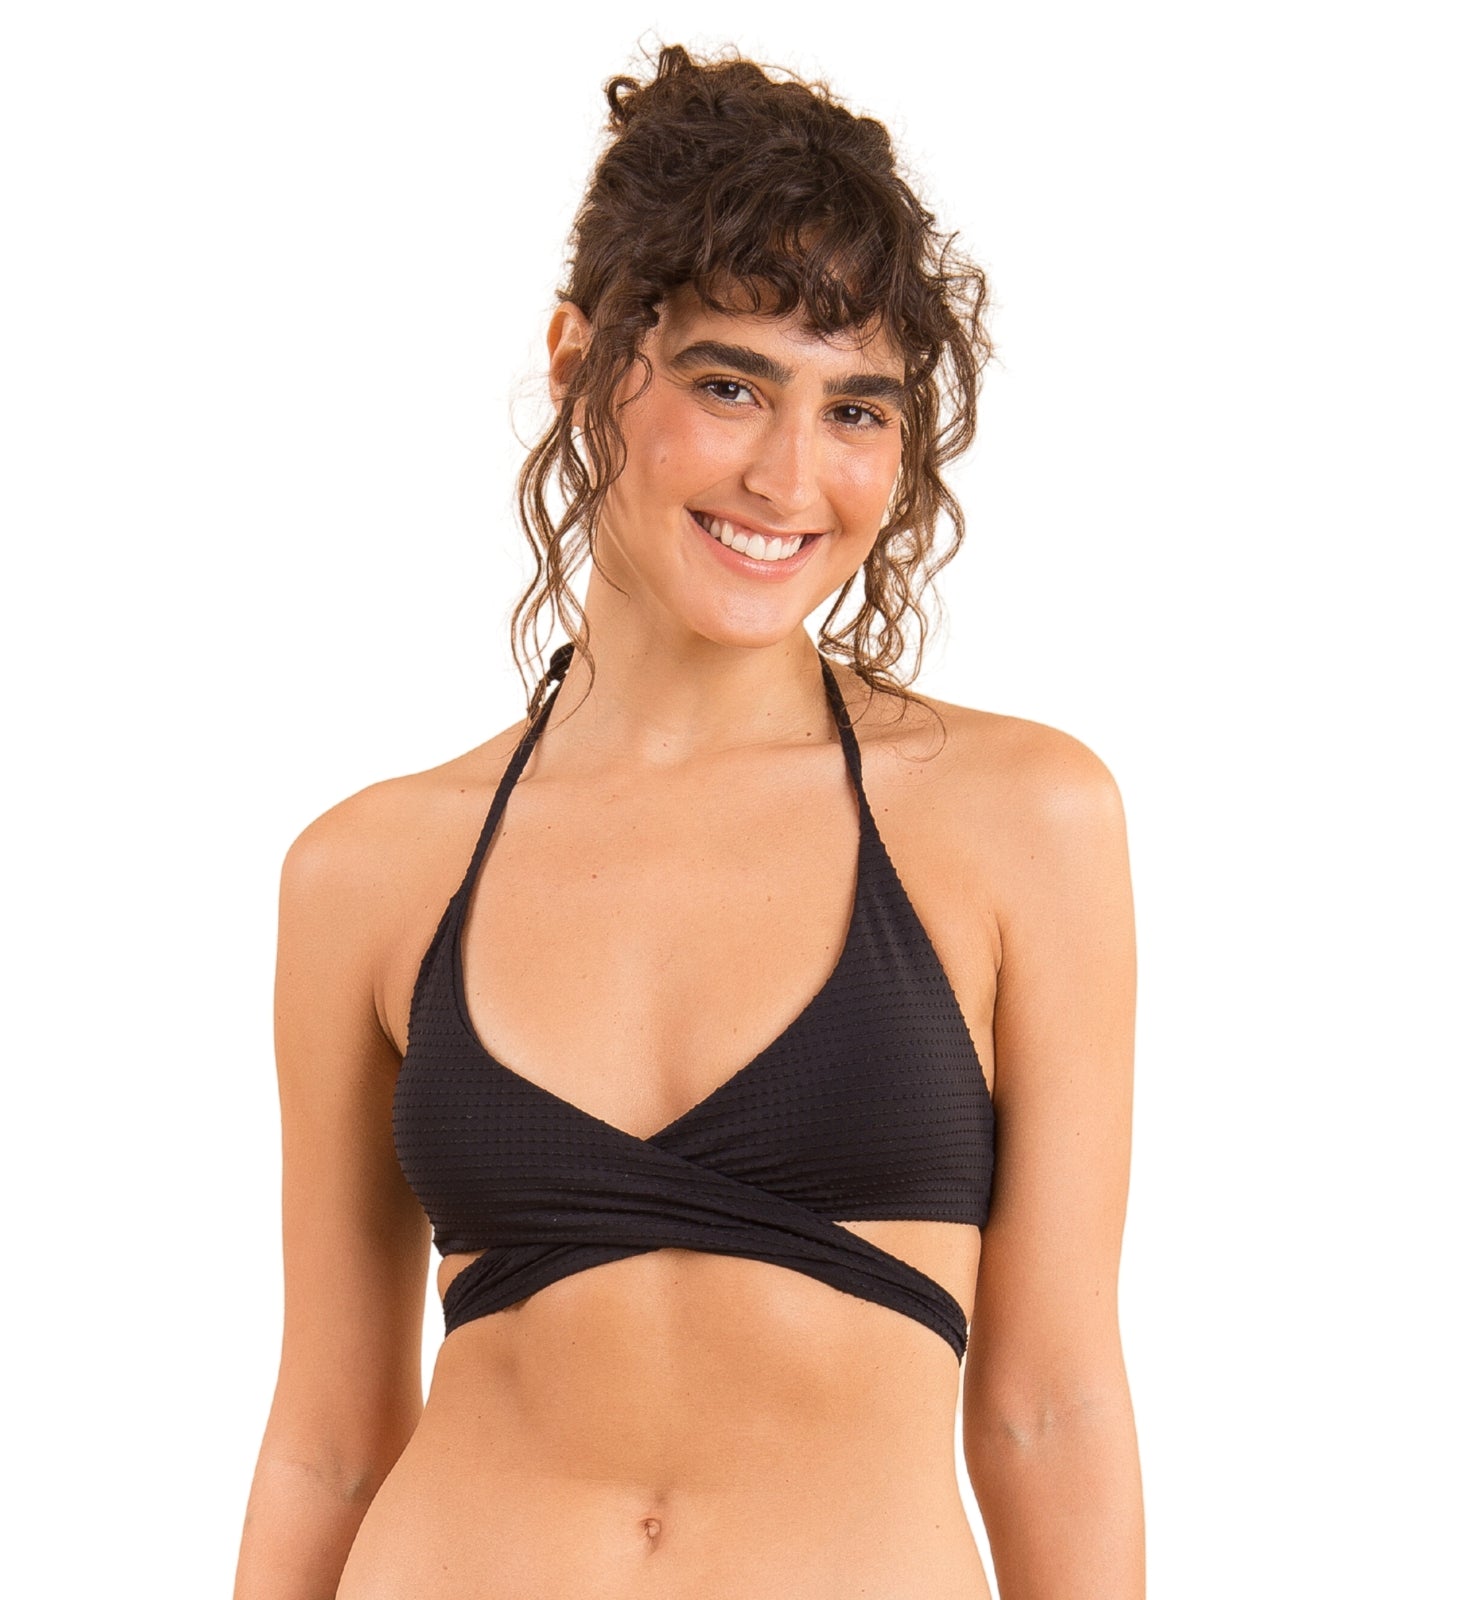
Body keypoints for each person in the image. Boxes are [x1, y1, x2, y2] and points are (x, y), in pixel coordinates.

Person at [232, 43, 1143, 1600]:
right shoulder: (368, 870)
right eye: (731, 386)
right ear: (580, 359)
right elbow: (327, 1440)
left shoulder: (1018, 820)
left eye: (855, 409)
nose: (789, 477)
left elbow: (1048, 1410)